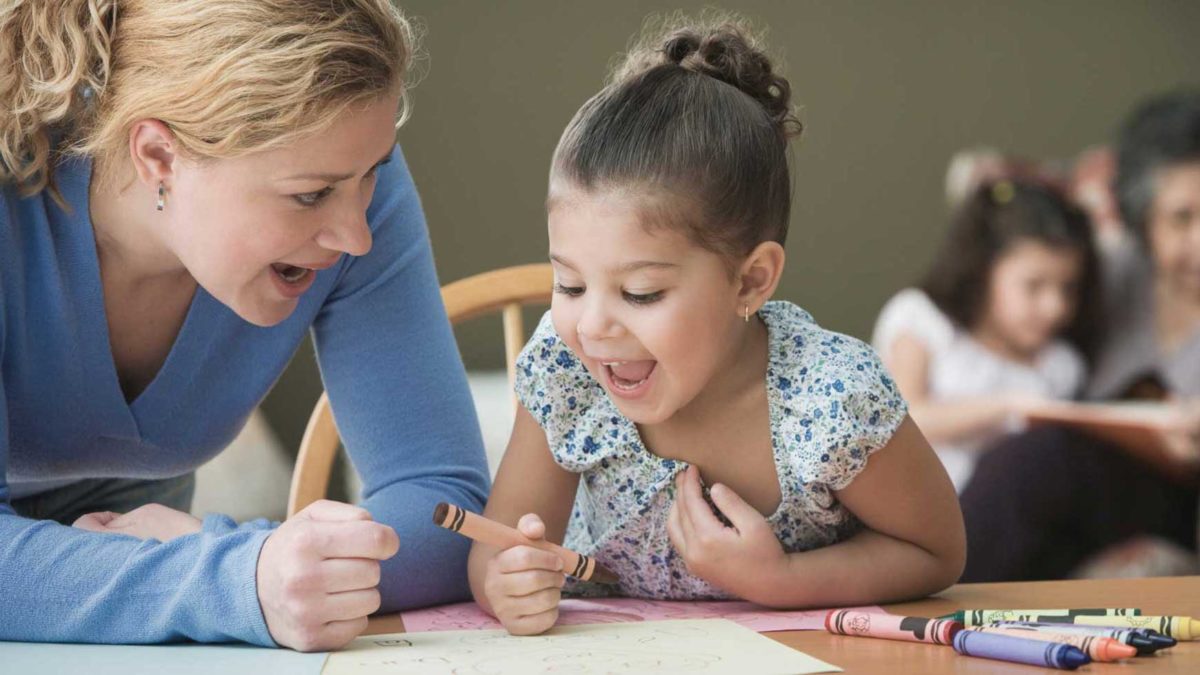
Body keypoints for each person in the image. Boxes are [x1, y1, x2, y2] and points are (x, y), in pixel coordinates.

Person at [0, 0, 489, 651]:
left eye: (372, 174)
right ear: (158, 155)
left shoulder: (349, 186)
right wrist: (238, 576)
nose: (358, 235)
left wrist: (246, 558)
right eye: (309, 195)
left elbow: (445, 512)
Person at [465, 15, 965, 636]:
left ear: (751, 280)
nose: (592, 324)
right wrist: (503, 582)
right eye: (568, 284)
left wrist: (780, 580)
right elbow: (495, 547)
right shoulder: (568, 374)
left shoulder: (833, 400)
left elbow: (937, 551)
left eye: (641, 292)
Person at [959, 90, 1200, 582]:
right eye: (1182, 218)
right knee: (1028, 461)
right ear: (1142, 219)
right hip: (1085, 487)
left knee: (1039, 460)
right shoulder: (1108, 275)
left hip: (1179, 497)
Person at [873, 178, 1099, 492]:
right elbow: (903, 420)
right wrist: (1007, 407)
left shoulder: (1060, 365)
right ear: (983, 272)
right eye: (1034, 286)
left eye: (1068, 288)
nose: (1055, 307)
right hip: (910, 503)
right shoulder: (923, 319)